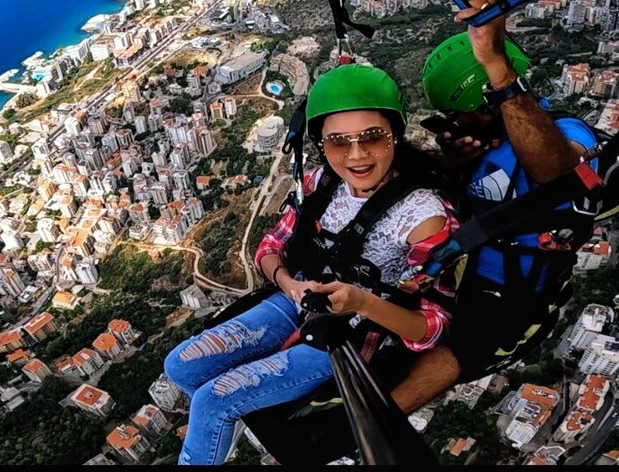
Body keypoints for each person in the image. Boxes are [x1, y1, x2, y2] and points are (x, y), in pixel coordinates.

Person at [162, 62, 461, 465]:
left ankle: (229, 417)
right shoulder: (321, 183)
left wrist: (361, 302)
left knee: (212, 400)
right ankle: (237, 416)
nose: (356, 155)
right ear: (322, 144)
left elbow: (431, 326)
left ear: (395, 134)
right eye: (338, 142)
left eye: (372, 137)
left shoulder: (424, 216)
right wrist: (290, 285)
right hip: (298, 299)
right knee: (180, 367)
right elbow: (270, 247)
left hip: (352, 332)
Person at [388, 0, 599, 415]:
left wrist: (496, 67)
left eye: (456, 114)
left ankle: (368, 423)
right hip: (454, 276)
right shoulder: (477, 150)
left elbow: (557, 172)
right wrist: (454, 168)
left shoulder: (565, 131)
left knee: (457, 352)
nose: (454, 124)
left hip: (508, 292)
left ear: (485, 104)